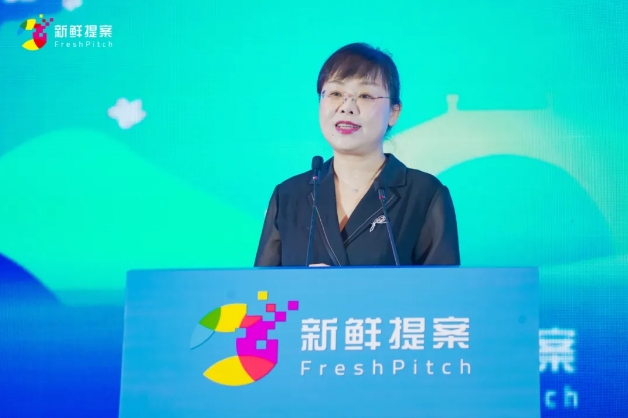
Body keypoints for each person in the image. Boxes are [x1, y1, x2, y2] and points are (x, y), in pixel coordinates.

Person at [254, 43, 460, 267]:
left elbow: (443, 287)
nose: (347, 107)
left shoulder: (424, 195)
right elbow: (262, 286)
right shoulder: (288, 196)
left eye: (364, 95)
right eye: (335, 93)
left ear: (394, 112)